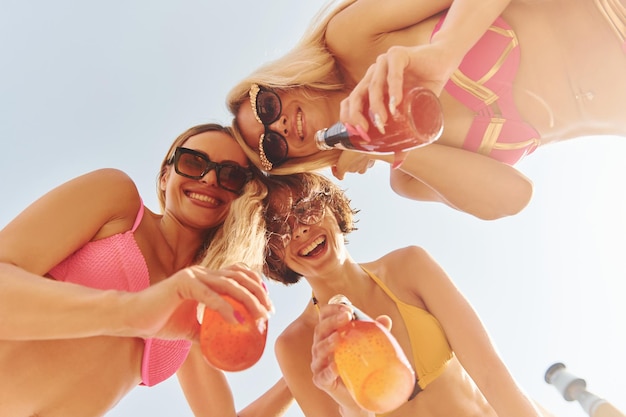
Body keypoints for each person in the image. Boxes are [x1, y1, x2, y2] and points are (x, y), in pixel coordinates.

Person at [227, 0, 626, 220]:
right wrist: (380, 146)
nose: (276, 125)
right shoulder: (409, 179)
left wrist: (445, 52)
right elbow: (513, 197)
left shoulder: (351, 36)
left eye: (265, 105)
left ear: (280, 82)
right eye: (271, 148)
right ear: (294, 162)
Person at [0, 123, 293, 417]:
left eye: (230, 174)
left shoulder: (196, 308)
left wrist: (297, 375)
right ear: (165, 177)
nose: (210, 178)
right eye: (193, 162)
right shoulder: (116, 201)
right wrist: (131, 312)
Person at [259, 171, 556, 417]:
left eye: (304, 209)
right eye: (279, 229)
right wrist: (350, 405)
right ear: (273, 256)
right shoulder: (295, 345)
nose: (298, 230)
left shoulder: (409, 266)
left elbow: (492, 373)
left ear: (332, 208)